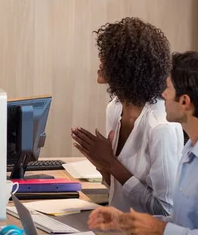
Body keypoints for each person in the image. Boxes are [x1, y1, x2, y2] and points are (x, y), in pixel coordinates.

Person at [89, 51, 198, 235]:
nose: (162, 94)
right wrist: (127, 222)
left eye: (168, 88)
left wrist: (161, 231)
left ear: (185, 101)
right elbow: (185, 224)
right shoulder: (191, 149)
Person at [71, 17, 183, 215]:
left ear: (126, 67)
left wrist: (111, 163)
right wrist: (101, 164)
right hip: (117, 229)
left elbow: (166, 211)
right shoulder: (114, 108)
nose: (100, 62)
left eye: (107, 57)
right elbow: (117, 188)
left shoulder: (161, 127)